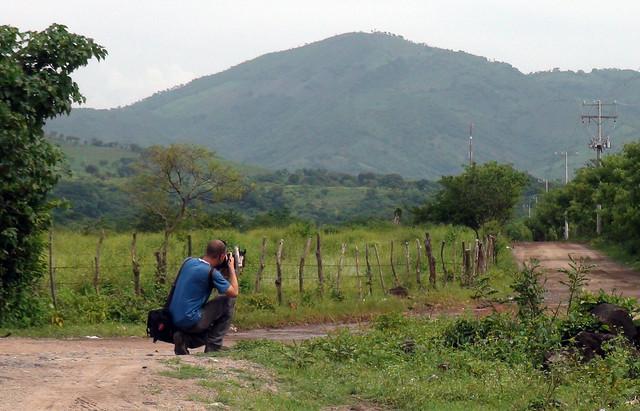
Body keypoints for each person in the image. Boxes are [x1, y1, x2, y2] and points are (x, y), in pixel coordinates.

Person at [169, 239, 239, 355]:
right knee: (228, 300)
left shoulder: (188, 262)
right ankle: (213, 347)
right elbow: (234, 292)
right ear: (222, 256)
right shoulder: (211, 273)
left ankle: (183, 339)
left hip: (173, 319)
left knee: (210, 316)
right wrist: (231, 268)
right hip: (191, 320)